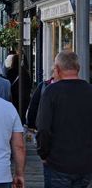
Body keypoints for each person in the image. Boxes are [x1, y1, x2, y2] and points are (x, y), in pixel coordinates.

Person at [36, 51, 92, 186]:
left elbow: (43, 128)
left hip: (57, 163)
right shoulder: (89, 90)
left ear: (57, 69)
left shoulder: (51, 92)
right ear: (78, 68)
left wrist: (43, 153)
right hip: (85, 164)